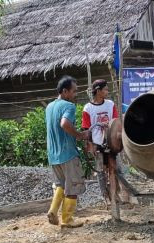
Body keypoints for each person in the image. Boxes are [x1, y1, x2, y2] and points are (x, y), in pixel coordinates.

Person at [46, 76, 90, 228]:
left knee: (61, 184)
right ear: (65, 91)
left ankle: (53, 210)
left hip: (53, 154)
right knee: (73, 186)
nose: (75, 94)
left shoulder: (49, 106)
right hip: (68, 153)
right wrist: (79, 135)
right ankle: (67, 220)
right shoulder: (69, 106)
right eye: (73, 91)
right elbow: (64, 123)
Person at [81, 79, 118, 203]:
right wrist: (90, 145)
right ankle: (105, 196)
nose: (107, 91)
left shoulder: (110, 104)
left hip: (111, 142)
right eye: (105, 89)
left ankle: (115, 194)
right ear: (98, 91)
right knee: (101, 170)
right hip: (97, 143)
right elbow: (86, 129)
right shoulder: (88, 108)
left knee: (115, 169)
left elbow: (116, 121)